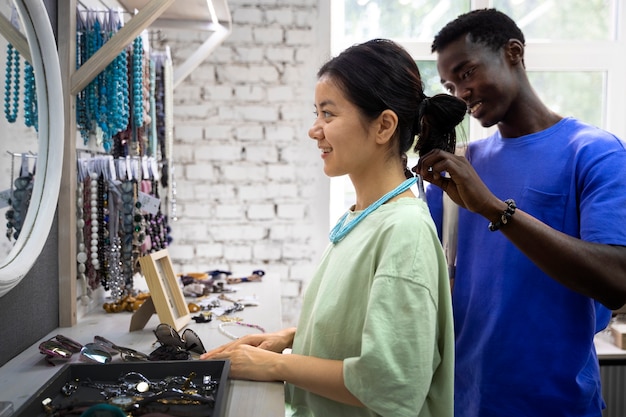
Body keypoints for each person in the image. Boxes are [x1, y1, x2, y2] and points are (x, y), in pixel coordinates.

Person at [201, 38, 466, 417]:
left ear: (383, 126)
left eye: (328, 115)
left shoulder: (403, 232)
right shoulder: (364, 216)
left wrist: (276, 365)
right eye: (317, 114)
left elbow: (391, 383)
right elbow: (366, 322)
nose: (315, 130)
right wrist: (293, 337)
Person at [415, 8, 626, 417]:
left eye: (467, 72)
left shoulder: (595, 153)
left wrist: (494, 208)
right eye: (448, 84)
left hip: (558, 405)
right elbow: (423, 280)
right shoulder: (463, 165)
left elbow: (618, 280)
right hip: (462, 402)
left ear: (513, 52)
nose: (461, 93)